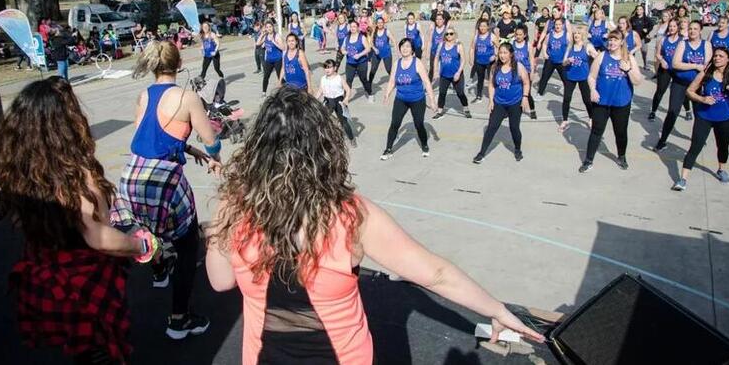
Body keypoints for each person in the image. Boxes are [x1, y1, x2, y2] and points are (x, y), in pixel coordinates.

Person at [203, 87, 544, 365]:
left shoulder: (234, 207)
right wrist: (498, 311)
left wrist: (220, 223)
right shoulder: (352, 215)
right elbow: (436, 274)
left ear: (259, 148)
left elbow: (220, 282)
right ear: (324, 147)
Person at [0, 77, 158, 364]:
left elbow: (21, 223)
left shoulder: (20, 172)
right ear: (65, 124)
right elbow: (99, 238)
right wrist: (141, 246)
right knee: (102, 353)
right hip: (85, 288)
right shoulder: (77, 177)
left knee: (79, 352)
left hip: (44, 279)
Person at [111, 40, 222, 340]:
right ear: (179, 61)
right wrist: (214, 156)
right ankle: (179, 318)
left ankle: (159, 267)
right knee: (188, 247)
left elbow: (149, 136)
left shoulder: (144, 95)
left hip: (132, 176)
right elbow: (211, 139)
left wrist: (189, 149)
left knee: (147, 226)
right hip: (164, 181)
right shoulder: (187, 98)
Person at [672, 47, 729, 191]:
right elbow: (689, 91)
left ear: (728, 59)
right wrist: (702, 98)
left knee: (723, 147)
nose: (717, 58)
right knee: (695, 147)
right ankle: (683, 179)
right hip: (704, 117)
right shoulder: (705, 74)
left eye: (720, 56)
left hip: (725, 118)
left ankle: (721, 169)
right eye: (715, 56)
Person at [579, 31, 642, 172]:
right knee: (596, 131)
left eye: (615, 40)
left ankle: (621, 156)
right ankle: (588, 160)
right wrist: (593, 90)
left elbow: (638, 81)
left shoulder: (629, 58)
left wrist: (628, 69)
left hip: (621, 103)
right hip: (602, 102)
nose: (612, 42)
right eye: (610, 40)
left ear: (621, 42)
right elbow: (591, 76)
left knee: (620, 132)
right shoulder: (602, 56)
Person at [655, 20, 712, 152]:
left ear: (700, 31)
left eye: (695, 29)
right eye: (690, 29)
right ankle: (662, 140)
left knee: (700, 115)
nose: (692, 31)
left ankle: (698, 141)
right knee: (672, 112)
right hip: (679, 83)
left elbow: (707, 66)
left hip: (697, 86)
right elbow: (675, 64)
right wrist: (695, 66)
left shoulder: (706, 45)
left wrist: (693, 67)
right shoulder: (682, 44)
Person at [473, 42, 531, 163]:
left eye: (505, 53)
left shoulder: (518, 67)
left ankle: (517, 149)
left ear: (511, 54)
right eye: (500, 52)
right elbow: (491, 85)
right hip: (499, 103)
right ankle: (482, 153)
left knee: (514, 128)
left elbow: (526, 82)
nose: (502, 55)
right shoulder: (495, 67)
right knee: (491, 128)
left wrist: (525, 97)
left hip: (515, 103)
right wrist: (490, 101)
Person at [380, 38, 436, 159]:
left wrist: (432, 100)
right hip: (401, 99)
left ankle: (425, 145)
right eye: (403, 46)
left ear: (412, 50)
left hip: (417, 100)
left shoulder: (417, 63)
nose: (405, 49)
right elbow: (392, 81)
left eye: (407, 47)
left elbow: (426, 82)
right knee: (394, 124)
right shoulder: (397, 63)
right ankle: (388, 149)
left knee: (419, 124)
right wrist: (387, 94)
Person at [649, 19, 690, 120]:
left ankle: (688, 110)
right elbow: (658, 54)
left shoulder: (683, 40)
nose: (672, 28)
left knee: (682, 92)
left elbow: (686, 55)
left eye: (674, 26)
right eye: (670, 26)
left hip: (678, 69)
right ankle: (653, 111)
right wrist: (662, 61)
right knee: (660, 91)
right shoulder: (663, 39)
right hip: (665, 69)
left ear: (678, 27)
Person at [560, 26, 597, 132]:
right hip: (570, 76)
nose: (576, 35)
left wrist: (595, 55)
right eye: (575, 33)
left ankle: (591, 118)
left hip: (583, 77)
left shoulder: (587, 46)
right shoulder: (570, 47)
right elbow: (563, 62)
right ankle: (565, 120)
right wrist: (568, 61)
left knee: (587, 100)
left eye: (579, 33)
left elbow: (597, 57)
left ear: (582, 35)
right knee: (566, 98)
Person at [314, 59, 357, 147]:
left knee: (344, 123)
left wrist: (346, 99)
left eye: (329, 67)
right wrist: (314, 99)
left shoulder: (339, 78)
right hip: (328, 101)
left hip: (339, 101)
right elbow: (320, 90)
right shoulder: (323, 79)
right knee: (322, 120)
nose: (327, 70)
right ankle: (323, 140)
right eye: (325, 68)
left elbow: (348, 89)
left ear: (334, 68)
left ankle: (352, 138)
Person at [432, 26, 471, 119]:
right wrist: (435, 71)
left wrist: (458, 72)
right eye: (447, 34)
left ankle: (466, 109)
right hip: (444, 75)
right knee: (442, 93)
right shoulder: (441, 45)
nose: (449, 35)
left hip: (456, 74)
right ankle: (440, 111)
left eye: (451, 33)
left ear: (454, 34)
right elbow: (436, 57)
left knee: (460, 93)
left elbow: (463, 60)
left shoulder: (458, 45)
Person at [342, 20, 374, 101]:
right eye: (351, 27)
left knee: (363, 79)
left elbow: (368, 49)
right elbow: (342, 48)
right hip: (350, 63)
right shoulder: (347, 38)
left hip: (361, 62)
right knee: (348, 80)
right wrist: (344, 51)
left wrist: (359, 55)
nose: (352, 28)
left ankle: (370, 93)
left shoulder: (362, 37)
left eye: (354, 27)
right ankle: (345, 98)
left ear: (357, 28)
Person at [512, 23, 537, 119]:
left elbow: (531, 59)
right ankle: (516, 109)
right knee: (516, 91)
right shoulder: (512, 43)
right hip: (515, 72)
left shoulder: (528, 45)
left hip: (526, 72)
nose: (518, 36)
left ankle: (532, 110)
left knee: (527, 92)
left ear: (525, 35)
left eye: (520, 34)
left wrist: (532, 72)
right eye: (516, 34)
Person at [537, 17, 568, 96]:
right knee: (545, 77)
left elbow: (570, 46)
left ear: (562, 25)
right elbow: (544, 44)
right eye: (556, 24)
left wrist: (567, 57)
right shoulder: (550, 34)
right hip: (551, 60)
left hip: (561, 61)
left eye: (559, 24)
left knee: (566, 79)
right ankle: (540, 93)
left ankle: (567, 94)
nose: (558, 26)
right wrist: (544, 53)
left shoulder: (566, 34)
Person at [469, 19, 496, 103]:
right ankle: (479, 96)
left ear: (488, 27)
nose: (482, 28)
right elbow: (472, 48)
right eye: (481, 26)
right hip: (479, 61)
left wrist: (495, 56)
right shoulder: (476, 36)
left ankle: (494, 96)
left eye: (484, 26)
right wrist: (471, 58)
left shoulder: (492, 36)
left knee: (492, 79)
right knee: (480, 79)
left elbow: (498, 47)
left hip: (490, 62)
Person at [257, 20, 284, 96]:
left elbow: (283, 48)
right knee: (266, 76)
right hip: (269, 60)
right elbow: (258, 44)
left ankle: (285, 89)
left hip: (278, 59)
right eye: (267, 27)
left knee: (280, 76)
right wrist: (262, 35)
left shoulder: (277, 36)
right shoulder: (265, 36)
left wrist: (274, 42)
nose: (269, 28)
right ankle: (264, 92)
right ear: (265, 28)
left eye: (270, 27)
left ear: (273, 27)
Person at [369, 17, 395, 85]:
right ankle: (369, 83)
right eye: (378, 23)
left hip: (386, 54)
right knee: (373, 69)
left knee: (389, 69)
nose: (380, 24)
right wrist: (374, 49)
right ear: (376, 24)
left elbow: (394, 41)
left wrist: (394, 47)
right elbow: (371, 43)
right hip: (376, 54)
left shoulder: (387, 31)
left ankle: (395, 81)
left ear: (383, 23)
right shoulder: (374, 31)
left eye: (381, 22)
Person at [629, 5, 654, 69]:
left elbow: (651, 25)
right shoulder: (633, 18)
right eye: (637, 9)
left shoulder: (646, 19)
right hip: (634, 38)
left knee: (644, 52)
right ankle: (632, 65)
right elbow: (629, 26)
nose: (638, 11)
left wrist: (647, 30)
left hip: (643, 38)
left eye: (640, 9)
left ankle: (645, 65)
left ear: (643, 11)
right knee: (632, 52)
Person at [426, 14, 447, 82]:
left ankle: (447, 83)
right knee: (431, 69)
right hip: (433, 52)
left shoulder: (446, 30)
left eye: (440, 19)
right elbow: (429, 42)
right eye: (437, 19)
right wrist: (427, 54)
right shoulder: (433, 29)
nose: (438, 21)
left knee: (444, 69)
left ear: (443, 20)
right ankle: (428, 85)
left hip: (443, 54)